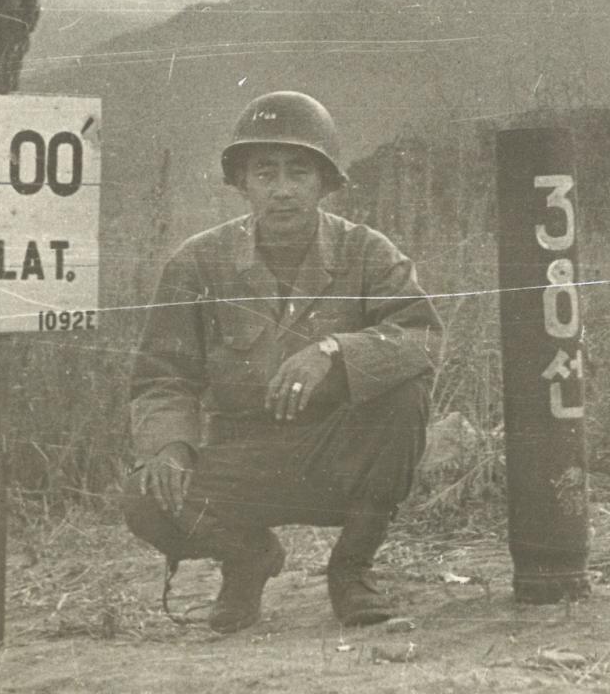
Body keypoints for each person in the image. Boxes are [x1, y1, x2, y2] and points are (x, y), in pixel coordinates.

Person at [122, 90, 443, 633]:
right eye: (265, 173)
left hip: (340, 452)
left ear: (325, 182)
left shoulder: (369, 252)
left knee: (406, 392)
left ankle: (352, 568)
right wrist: (171, 444)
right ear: (242, 183)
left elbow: (421, 337)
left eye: (299, 172)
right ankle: (246, 561)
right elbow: (162, 376)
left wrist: (335, 351)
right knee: (145, 496)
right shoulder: (197, 263)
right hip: (246, 457)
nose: (283, 190)